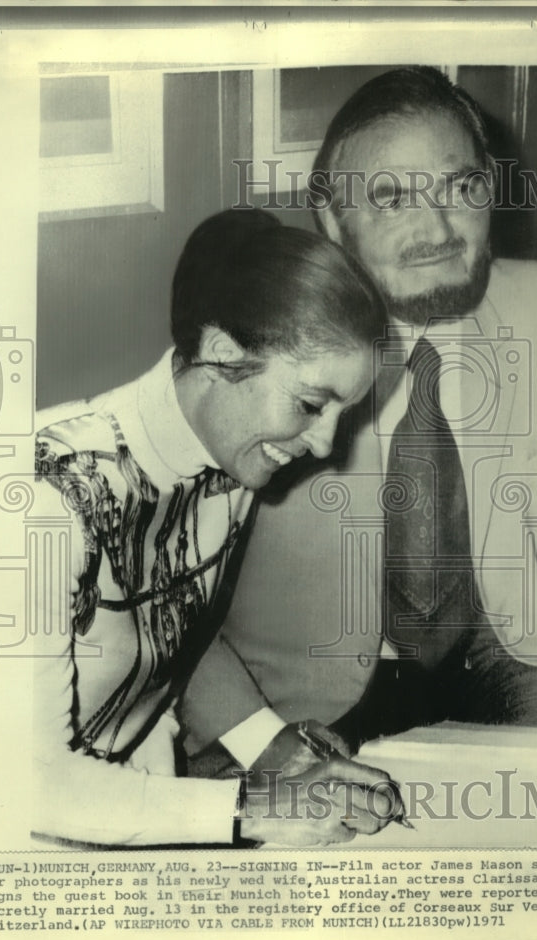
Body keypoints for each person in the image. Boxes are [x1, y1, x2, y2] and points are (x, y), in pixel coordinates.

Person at [180, 67, 537, 777]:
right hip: (288, 703)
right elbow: (165, 610)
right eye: (390, 199)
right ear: (332, 223)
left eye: (460, 187)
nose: (436, 229)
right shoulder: (256, 335)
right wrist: (263, 742)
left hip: (500, 658)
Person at [31, 208, 402, 847]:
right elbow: (26, 784)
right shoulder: (39, 499)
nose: (324, 444)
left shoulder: (232, 452)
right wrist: (256, 807)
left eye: (342, 412)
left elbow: (163, 626)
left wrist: (282, 752)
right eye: (311, 405)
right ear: (222, 354)